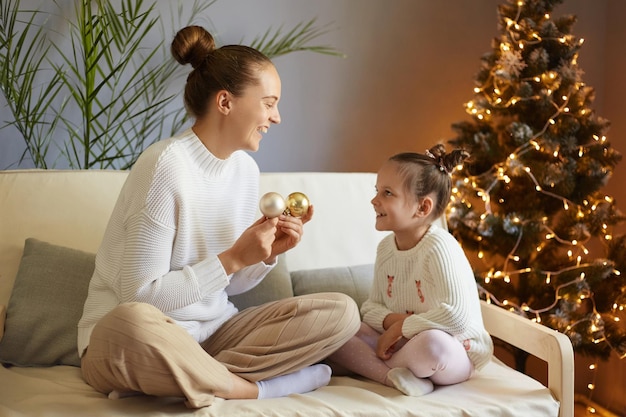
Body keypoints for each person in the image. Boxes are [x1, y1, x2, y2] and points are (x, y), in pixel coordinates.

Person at [77, 25, 360, 408]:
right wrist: (232, 258)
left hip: (215, 335)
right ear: (225, 102)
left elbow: (229, 287)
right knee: (131, 324)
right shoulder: (164, 165)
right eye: (269, 102)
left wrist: (265, 254)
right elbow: (140, 296)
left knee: (341, 313)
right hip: (133, 337)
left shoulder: (245, 171)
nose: (276, 117)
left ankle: (187, 377)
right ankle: (252, 388)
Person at [326, 145, 493, 396]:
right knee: (336, 330)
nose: (374, 200)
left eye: (388, 193)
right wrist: (397, 325)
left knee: (433, 344)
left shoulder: (440, 247)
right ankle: (393, 375)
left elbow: (456, 317)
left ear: (422, 208)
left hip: (455, 350)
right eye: (377, 191)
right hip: (400, 345)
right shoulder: (386, 249)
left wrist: (399, 329)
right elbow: (370, 309)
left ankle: (372, 368)